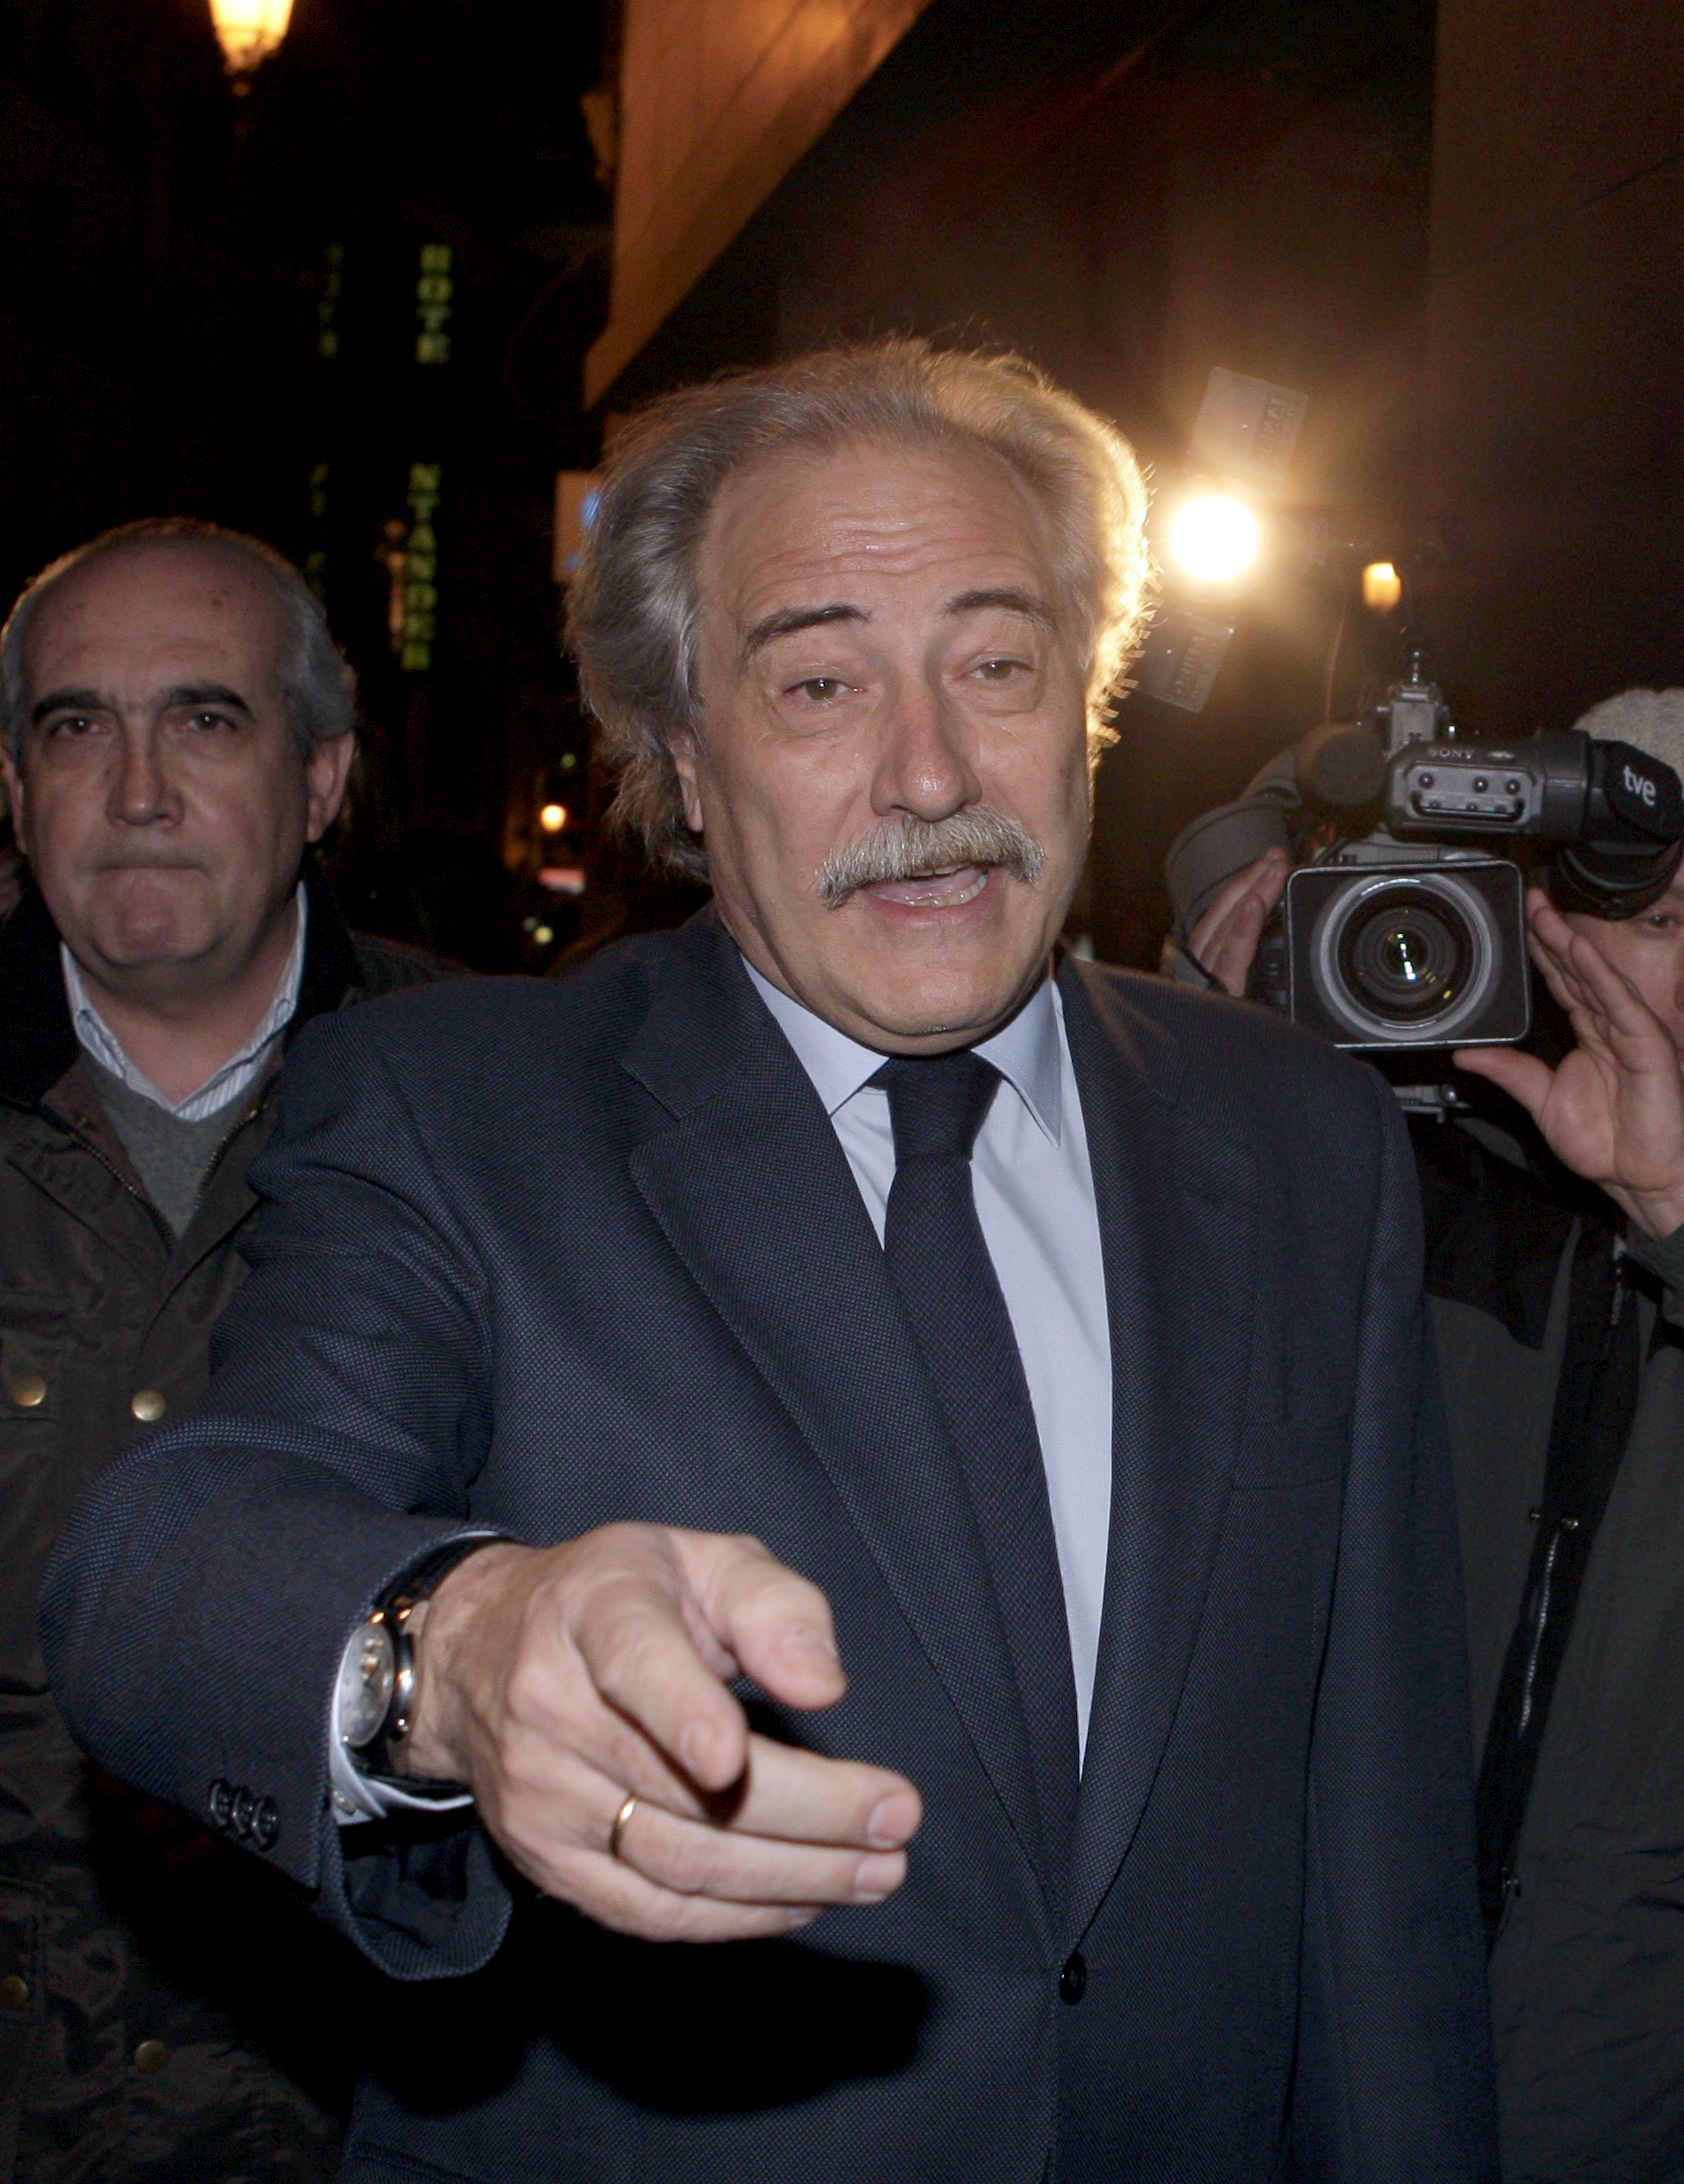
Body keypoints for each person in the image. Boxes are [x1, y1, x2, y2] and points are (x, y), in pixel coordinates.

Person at [40, 346, 1496, 2182]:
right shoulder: (456, 1108)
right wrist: (454, 1652)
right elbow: (169, 1556)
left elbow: (1379, 1874)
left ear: (1090, 706)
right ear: (684, 761)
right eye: (819, 683)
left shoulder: (1303, 1142)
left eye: (997, 665)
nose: (931, 769)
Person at [1177, 685, 1684, 2183]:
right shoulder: (1421, 1182)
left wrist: (1675, 1219)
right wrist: (1228, 1062)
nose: (1661, 970)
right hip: (1360, 2075)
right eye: (1645, 919)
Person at [0, 519, 455, 2182]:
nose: (136, 790)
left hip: (352, 2108)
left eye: (205, 720)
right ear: (14, 785)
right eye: (77, 728)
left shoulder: (493, 1111)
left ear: (323, 779)